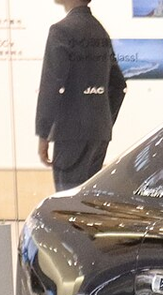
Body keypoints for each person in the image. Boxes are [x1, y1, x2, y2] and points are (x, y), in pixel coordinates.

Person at [35, 0, 127, 191]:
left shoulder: (61, 31)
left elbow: (51, 86)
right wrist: (105, 119)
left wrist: (43, 134)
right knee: (86, 199)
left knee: (68, 198)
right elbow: (118, 85)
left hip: (71, 132)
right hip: (99, 132)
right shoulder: (100, 31)